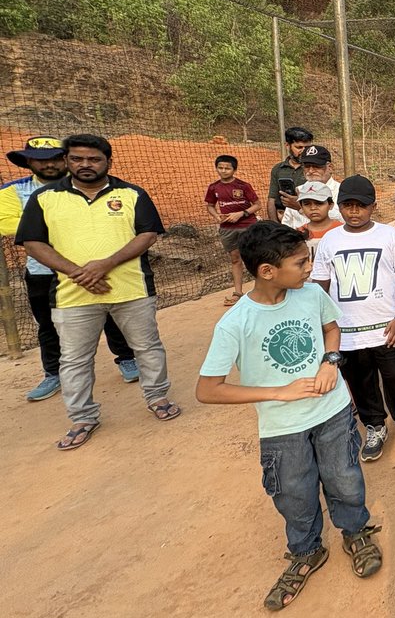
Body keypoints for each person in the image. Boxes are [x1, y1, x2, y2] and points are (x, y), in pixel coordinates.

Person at [196, 221, 382, 611]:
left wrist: (331, 362)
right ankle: (306, 550)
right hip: (282, 427)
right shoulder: (235, 323)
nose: (309, 268)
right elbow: (208, 389)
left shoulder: (311, 294)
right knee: (294, 494)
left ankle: (355, 532)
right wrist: (277, 392)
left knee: (344, 478)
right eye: (300, 263)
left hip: (332, 411)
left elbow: (332, 328)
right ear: (267, 271)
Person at [16, 133, 180, 450]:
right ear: (67, 161)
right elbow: (33, 243)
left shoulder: (132, 195)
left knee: (147, 347)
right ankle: (82, 417)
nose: (85, 165)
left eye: (94, 159)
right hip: (72, 294)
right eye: (77, 158)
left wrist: (104, 264)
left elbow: (147, 235)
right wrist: (80, 272)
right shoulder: (46, 198)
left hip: (131, 290)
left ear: (108, 161)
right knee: (75, 359)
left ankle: (157, 397)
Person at [1, 136, 140, 402]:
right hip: (44, 272)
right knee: (48, 324)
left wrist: (49, 228)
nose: (49, 165)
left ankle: (126, 358)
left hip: (97, 267)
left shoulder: (95, 188)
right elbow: (9, 225)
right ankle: (53, 372)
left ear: (64, 159)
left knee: (112, 314)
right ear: (29, 162)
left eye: (54, 158)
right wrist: (67, 230)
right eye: (40, 160)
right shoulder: (12, 191)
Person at [310, 176, 395, 461]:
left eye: (360, 206)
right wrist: (322, 325)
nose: (354, 212)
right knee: (360, 383)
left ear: (373, 206)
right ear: (339, 207)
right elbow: (321, 285)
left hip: (386, 329)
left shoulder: (388, 236)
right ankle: (374, 426)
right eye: (347, 206)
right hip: (346, 332)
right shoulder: (330, 241)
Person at [204, 154, 261, 306]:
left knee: (255, 257)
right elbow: (210, 205)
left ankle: (262, 291)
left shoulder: (243, 186)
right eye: (220, 168)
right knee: (235, 259)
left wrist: (241, 213)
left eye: (227, 168)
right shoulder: (213, 187)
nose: (223, 171)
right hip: (227, 229)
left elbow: (257, 204)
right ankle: (238, 293)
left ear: (234, 169)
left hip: (247, 225)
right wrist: (217, 216)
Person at [285, 145, 341, 228]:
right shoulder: (298, 191)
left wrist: (301, 208)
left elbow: (344, 219)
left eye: (316, 166)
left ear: (330, 167)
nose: (311, 171)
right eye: (307, 166)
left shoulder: (341, 190)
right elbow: (287, 223)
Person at [267, 127, 313, 226]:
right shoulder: (278, 169)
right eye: (299, 147)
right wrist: (275, 225)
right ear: (287, 145)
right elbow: (272, 199)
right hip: (284, 221)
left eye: (307, 148)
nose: (304, 151)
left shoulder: (314, 170)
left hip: (308, 220)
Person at [296, 181, 343, 262]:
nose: (313, 208)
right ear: (301, 207)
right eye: (307, 204)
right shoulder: (298, 234)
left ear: (330, 205)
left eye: (319, 203)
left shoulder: (341, 230)